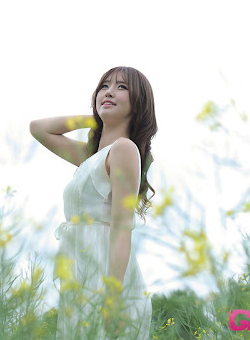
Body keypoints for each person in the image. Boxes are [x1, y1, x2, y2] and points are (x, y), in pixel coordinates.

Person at [29, 66, 157, 339]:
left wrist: (112, 299)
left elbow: (121, 228)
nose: (109, 91)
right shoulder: (91, 157)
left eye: (122, 87)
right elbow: (38, 129)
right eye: (104, 86)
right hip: (81, 278)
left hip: (107, 283)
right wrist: (95, 118)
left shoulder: (123, 149)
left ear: (138, 105)